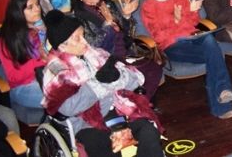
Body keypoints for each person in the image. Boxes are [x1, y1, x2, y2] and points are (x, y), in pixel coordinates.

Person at [41, 10, 164, 157]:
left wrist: (118, 76)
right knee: (103, 145)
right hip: (86, 123)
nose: (85, 42)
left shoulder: (96, 53)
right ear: (62, 46)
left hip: (117, 109)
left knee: (148, 131)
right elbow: (67, 108)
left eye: (83, 35)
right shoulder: (56, 69)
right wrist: (99, 84)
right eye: (78, 38)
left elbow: (135, 78)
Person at [140, 0, 232, 118]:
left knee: (210, 40)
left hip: (192, 38)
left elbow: (193, 22)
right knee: (214, 52)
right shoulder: (149, 6)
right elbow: (158, 36)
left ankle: (223, 95)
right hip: (172, 46)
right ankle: (222, 100)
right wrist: (176, 20)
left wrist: (192, 10)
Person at [69, 0, 162, 98]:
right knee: (147, 71)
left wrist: (126, 16)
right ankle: (137, 104)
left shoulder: (107, 4)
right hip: (105, 60)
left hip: (125, 51)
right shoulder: (78, 18)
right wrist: (106, 26)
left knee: (155, 69)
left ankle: (140, 103)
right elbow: (92, 46)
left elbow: (126, 33)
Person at [0, 0, 49, 110]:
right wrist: (42, 60)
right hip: (23, 87)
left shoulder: (39, 29)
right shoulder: (7, 40)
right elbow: (14, 76)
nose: (37, 9)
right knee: (65, 97)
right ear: (18, 12)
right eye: (30, 7)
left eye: (37, 4)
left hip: (46, 76)